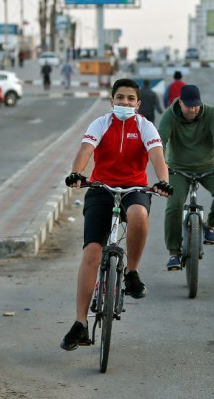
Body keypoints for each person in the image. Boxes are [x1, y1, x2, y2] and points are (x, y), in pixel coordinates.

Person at [60, 78, 173, 351]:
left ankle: (132, 272)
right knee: (91, 253)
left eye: (130, 99)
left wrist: (162, 180)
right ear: (112, 101)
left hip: (135, 187)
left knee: (138, 214)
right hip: (101, 188)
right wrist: (77, 173)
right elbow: (85, 150)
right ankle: (80, 323)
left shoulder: (145, 126)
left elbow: (158, 156)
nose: (125, 103)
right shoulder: (101, 124)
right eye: (119, 98)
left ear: (138, 103)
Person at [158, 85, 214, 270]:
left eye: (196, 105)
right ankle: (174, 253)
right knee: (174, 205)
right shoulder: (170, 116)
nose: (193, 109)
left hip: (208, 165)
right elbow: (161, 139)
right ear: (181, 102)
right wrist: (161, 162)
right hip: (178, 168)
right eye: (189, 106)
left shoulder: (210, 113)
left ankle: (209, 225)